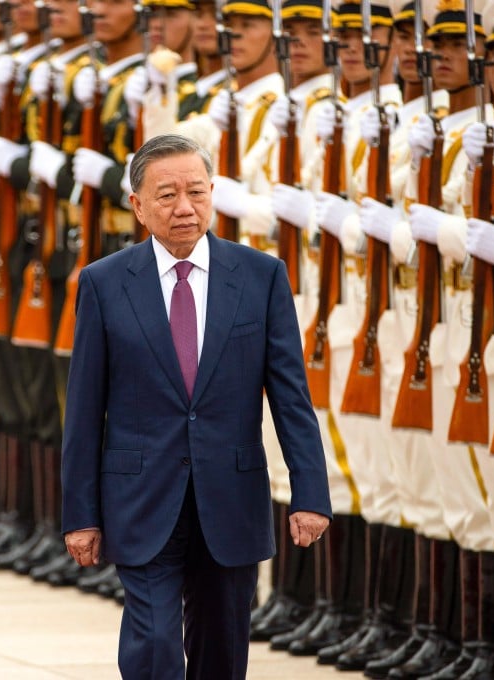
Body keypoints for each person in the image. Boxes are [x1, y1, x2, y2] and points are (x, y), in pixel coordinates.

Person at [61, 133, 332, 679]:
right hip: (139, 497)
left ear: (214, 194)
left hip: (229, 497)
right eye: (166, 195)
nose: (184, 208)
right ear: (137, 206)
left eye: (196, 192)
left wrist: (311, 493)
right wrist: (80, 514)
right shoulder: (104, 283)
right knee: (155, 644)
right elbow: (84, 412)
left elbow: (291, 398)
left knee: (222, 651)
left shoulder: (261, 277)